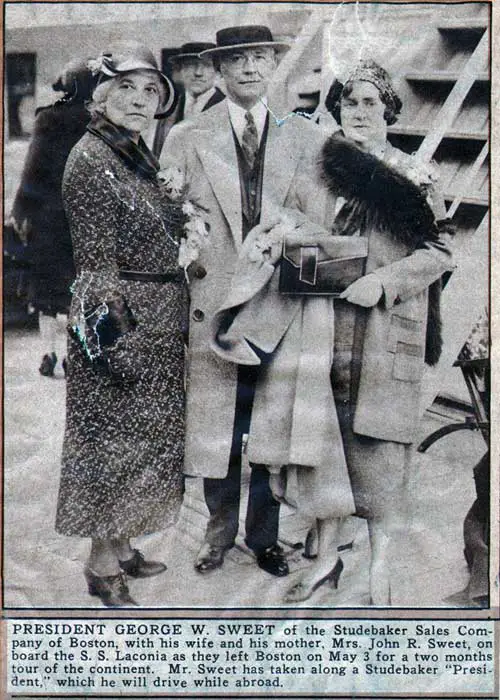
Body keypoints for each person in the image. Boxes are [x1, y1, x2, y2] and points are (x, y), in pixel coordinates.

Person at [211, 60, 454, 604]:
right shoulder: (320, 170)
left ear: (389, 110)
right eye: (349, 103)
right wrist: (280, 238)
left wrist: (385, 282)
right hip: (320, 328)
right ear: (337, 110)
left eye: (370, 103)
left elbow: (438, 252)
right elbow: (291, 223)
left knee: (379, 453)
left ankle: (380, 572)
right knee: (322, 449)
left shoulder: (416, 174)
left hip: (384, 327)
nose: (359, 112)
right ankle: (324, 564)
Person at [160, 25, 330, 579]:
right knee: (218, 426)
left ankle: (263, 537)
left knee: (269, 423)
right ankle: (216, 534)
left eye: (260, 58)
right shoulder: (188, 135)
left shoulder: (302, 137)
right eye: (238, 61)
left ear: (272, 65)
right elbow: (168, 218)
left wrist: (282, 231)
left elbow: (317, 217)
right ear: (221, 70)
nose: (250, 69)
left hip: (276, 302)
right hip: (214, 300)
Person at [55, 42, 191, 607]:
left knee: (141, 444)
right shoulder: (90, 159)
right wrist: (113, 346)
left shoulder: (133, 151)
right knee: (109, 444)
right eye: (127, 88)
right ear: (101, 95)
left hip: (156, 319)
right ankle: (100, 565)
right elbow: (95, 264)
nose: (139, 100)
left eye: (150, 90)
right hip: (119, 323)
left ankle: (123, 544)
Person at [10, 59, 95, 377]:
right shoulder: (97, 120)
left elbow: (32, 171)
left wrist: (20, 213)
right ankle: (77, 355)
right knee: (78, 290)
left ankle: (49, 353)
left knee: (46, 293)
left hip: (48, 219)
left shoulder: (48, 118)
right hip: (84, 218)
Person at [151, 42, 225, 157]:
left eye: (206, 65)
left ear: (217, 71)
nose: (198, 73)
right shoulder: (169, 109)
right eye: (191, 65)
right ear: (180, 70)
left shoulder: (228, 109)